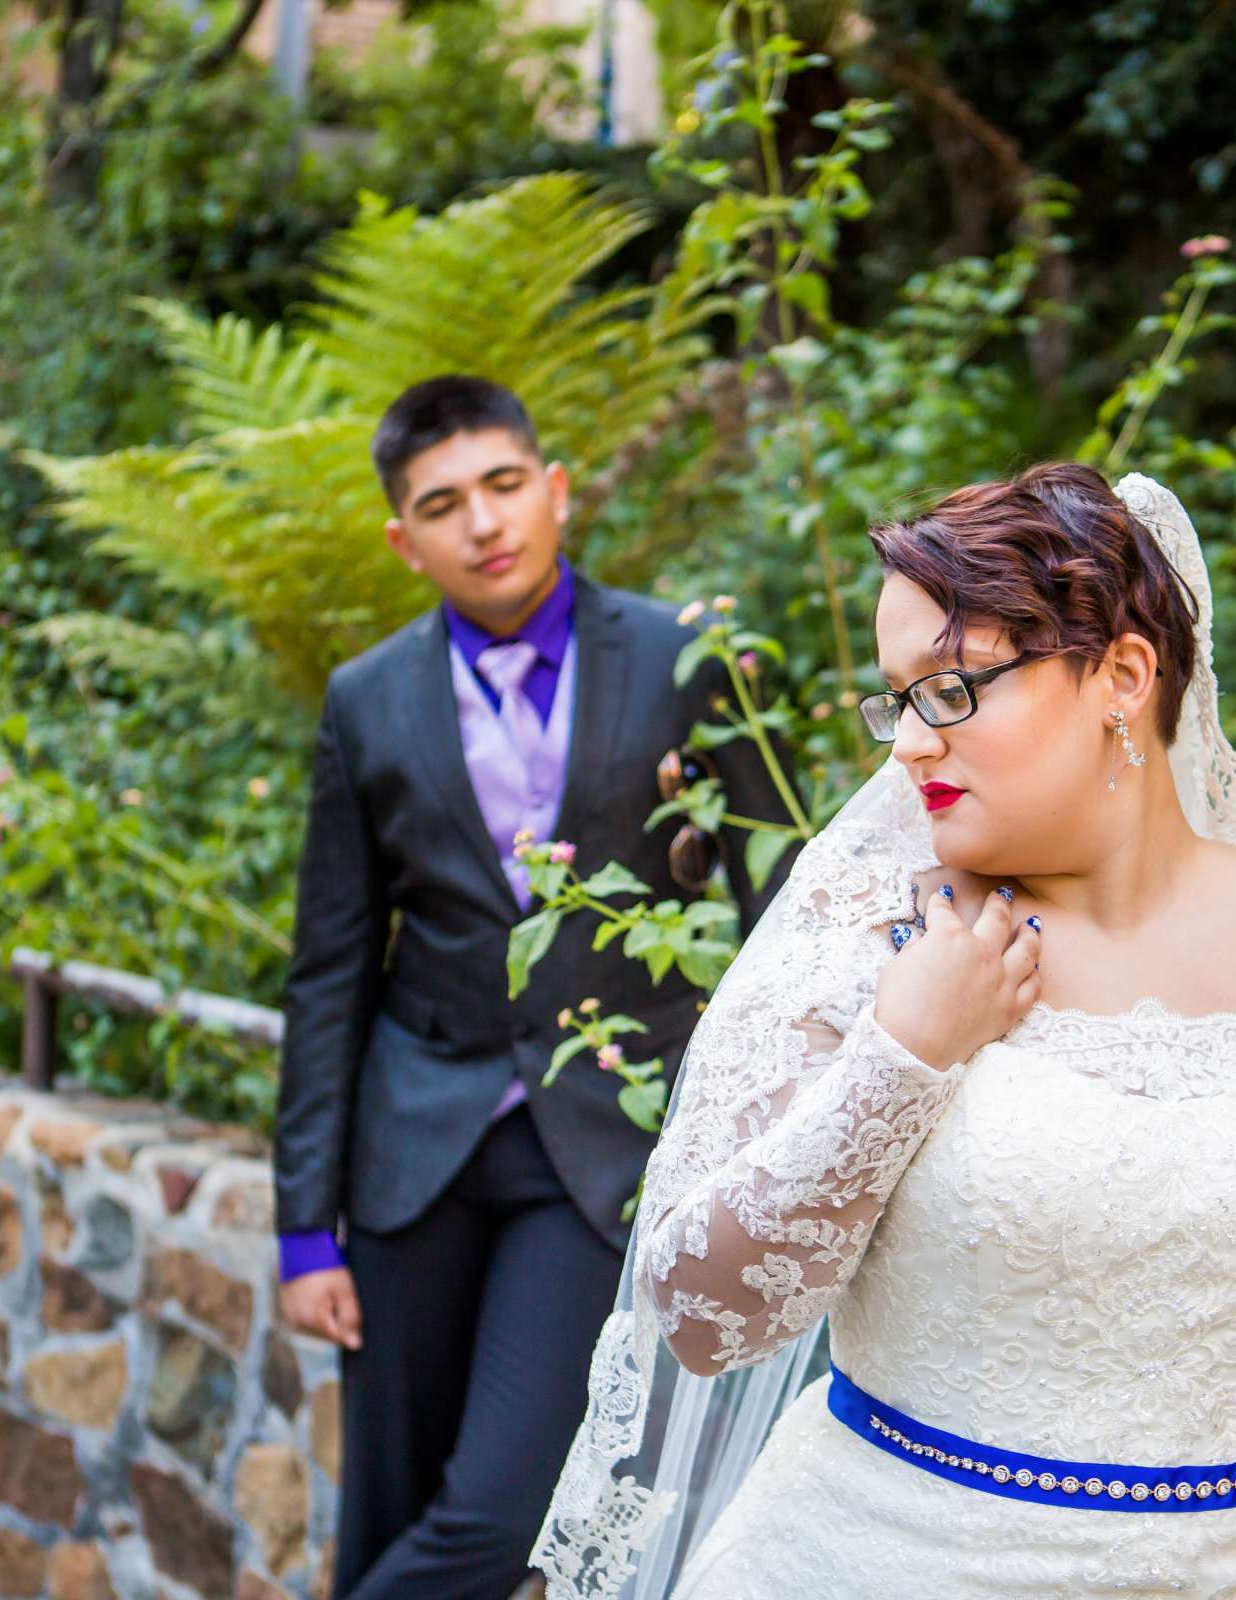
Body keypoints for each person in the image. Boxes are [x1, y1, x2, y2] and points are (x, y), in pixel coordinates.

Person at [532, 464, 1236, 1599]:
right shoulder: (865, 936)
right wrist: (903, 1056)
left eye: (950, 690)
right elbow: (705, 1316)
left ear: (1123, 675)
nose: (908, 744)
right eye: (896, 699)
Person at [272, 376, 800, 1600]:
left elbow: (780, 907)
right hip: (412, 1158)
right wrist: (306, 1225)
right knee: (392, 1504)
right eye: (443, 504)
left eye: (504, 485)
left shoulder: (690, 657)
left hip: (604, 1146)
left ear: (554, 490)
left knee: (502, 1513)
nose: (484, 522)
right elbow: (331, 969)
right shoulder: (367, 700)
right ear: (406, 539)